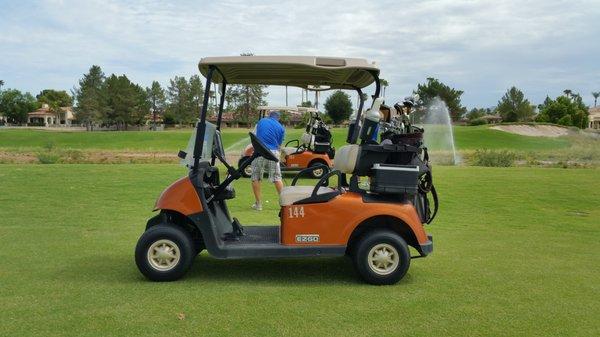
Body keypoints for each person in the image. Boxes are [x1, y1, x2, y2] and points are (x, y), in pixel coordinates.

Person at [251, 111, 285, 211]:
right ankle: (284, 204)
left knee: (255, 177)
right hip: (273, 153)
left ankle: (258, 204)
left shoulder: (261, 121)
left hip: (260, 151)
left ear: (269, 116)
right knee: (277, 178)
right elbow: (279, 145)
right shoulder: (281, 128)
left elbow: (253, 136)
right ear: (278, 118)